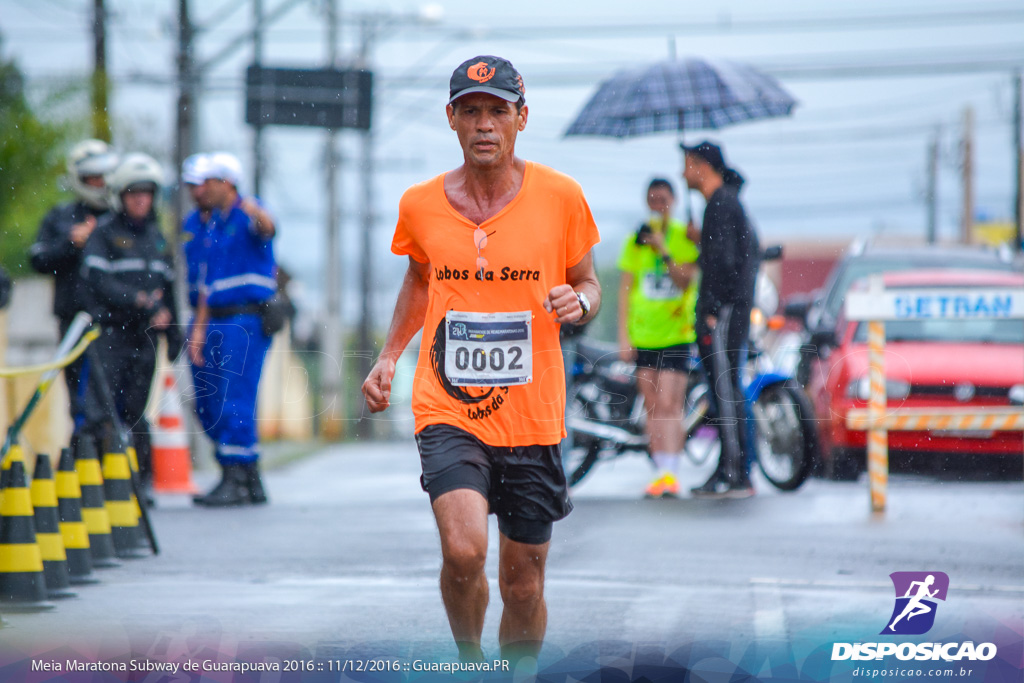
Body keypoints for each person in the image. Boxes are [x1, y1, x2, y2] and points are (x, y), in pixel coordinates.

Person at [361, 55, 601, 664]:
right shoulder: (420, 204)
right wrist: (389, 356)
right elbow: (420, 278)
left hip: (533, 415)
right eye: (471, 111)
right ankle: (469, 662)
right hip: (448, 406)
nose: (485, 124)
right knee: (463, 552)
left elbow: (588, 282)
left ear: (522, 117)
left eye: (498, 111)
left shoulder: (562, 197)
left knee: (523, 586)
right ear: (452, 119)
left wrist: (580, 302)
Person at [82, 153, 181, 498]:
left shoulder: (157, 237)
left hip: (145, 339)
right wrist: (139, 300)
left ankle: (139, 486)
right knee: (101, 412)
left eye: (147, 192)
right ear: (120, 195)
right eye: (133, 192)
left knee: (136, 412)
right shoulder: (104, 233)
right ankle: (96, 487)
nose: (141, 199)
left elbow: (168, 290)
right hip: (110, 336)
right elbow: (97, 283)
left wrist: (173, 327)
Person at [188, 152, 278, 508]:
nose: (201, 189)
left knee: (234, 398)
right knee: (212, 401)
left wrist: (258, 214)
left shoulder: (247, 213)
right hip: (217, 319)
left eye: (208, 182)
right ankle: (250, 474)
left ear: (226, 182)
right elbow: (207, 286)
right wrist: (198, 328)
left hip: (246, 319)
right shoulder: (211, 224)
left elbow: (267, 228)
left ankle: (234, 476)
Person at [681, 141, 760, 499]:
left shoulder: (721, 204)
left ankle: (736, 473)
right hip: (730, 309)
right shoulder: (725, 204)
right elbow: (724, 253)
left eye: (687, 164)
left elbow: (726, 263)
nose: (683, 173)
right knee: (724, 390)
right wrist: (702, 242)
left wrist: (711, 309)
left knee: (726, 391)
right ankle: (731, 468)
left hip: (725, 311)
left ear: (701, 165)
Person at [617, 178, 699, 498]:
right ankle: (659, 470)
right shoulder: (634, 241)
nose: (657, 205)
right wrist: (624, 335)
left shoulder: (684, 237)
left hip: (676, 333)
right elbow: (626, 289)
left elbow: (685, 281)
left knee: (669, 403)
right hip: (644, 334)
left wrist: (663, 250)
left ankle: (671, 471)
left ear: (674, 201)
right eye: (652, 199)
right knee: (652, 404)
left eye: (663, 199)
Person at [30, 139, 119, 431]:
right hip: (74, 321)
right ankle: (84, 456)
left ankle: (121, 466)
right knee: (82, 403)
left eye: (103, 177)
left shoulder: (120, 218)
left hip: (115, 322)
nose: (99, 183)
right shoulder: (61, 216)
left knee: (118, 402)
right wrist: (71, 244)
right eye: (92, 178)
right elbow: (39, 258)